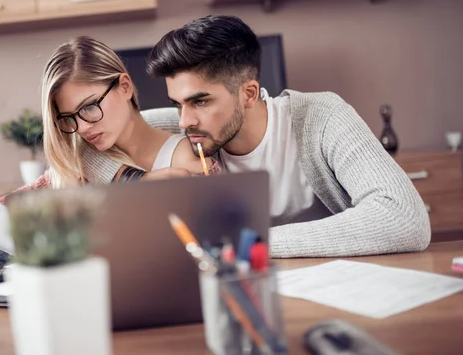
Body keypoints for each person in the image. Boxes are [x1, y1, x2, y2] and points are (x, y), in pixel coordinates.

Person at [77, 15, 431, 258]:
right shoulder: (180, 126)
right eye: (177, 103)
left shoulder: (320, 117)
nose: (185, 119)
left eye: (200, 101)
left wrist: (246, 243)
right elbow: (82, 145)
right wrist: (141, 179)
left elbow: (405, 219)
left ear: (249, 93)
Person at [0, 36, 220, 265]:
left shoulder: (188, 157)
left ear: (124, 86)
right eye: (68, 118)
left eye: (89, 107)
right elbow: (0, 224)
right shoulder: (73, 167)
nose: (82, 128)